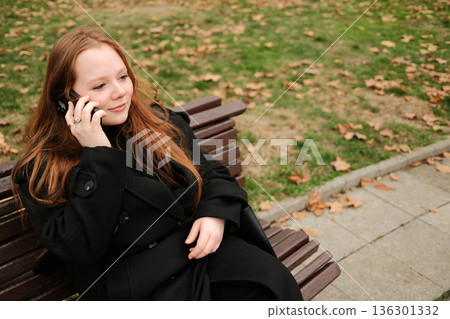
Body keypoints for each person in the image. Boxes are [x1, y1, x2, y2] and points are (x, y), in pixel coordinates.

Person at [12, 26, 303, 301]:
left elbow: (208, 170)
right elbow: (80, 247)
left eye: (122, 77)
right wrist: (98, 155)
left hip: (194, 254)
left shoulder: (154, 122)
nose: (120, 92)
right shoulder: (42, 168)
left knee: (272, 285)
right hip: (136, 288)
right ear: (66, 98)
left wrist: (214, 214)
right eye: (100, 85)